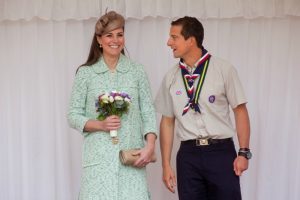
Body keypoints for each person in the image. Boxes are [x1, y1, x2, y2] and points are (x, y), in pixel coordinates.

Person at [155, 16, 251, 200]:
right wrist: (166, 165)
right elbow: (167, 121)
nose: (169, 42)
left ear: (191, 40)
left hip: (221, 153)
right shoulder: (171, 78)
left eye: (174, 37)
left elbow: (240, 111)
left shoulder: (223, 69)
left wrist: (244, 153)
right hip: (188, 156)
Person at [68, 11, 157, 200]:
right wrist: (100, 124)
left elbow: (148, 111)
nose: (115, 40)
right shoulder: (85, 73)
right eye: (109, 35)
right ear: (99, 39)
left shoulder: (137, 71)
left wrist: (150, 145)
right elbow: (73, 115)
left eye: (120, 34)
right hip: (98, 161)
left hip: (131, 158)